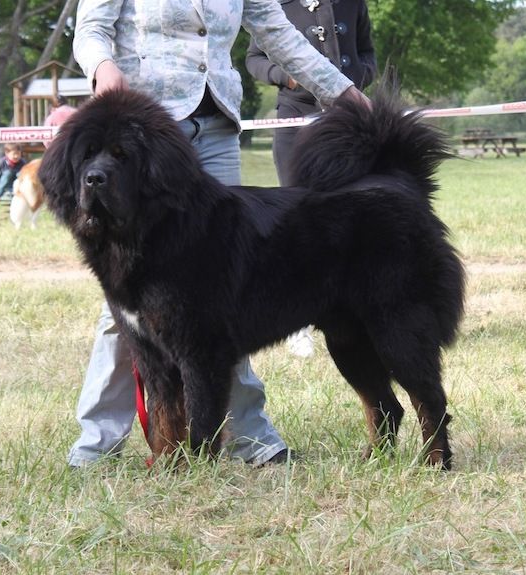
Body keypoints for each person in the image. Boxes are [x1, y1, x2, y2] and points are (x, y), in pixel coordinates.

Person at [68, 0, 371, 469]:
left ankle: (249, 436)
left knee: (226, 292)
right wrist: (103, 67)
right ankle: (96, 444)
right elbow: (90, 27)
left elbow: (279, 33)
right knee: (129, 305)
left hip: (217, 131)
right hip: (140, 142)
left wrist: (344, 93)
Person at [246, 0, 377, 358]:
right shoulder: (276, 6)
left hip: (347, 118)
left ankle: (363, 308)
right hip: (295, 119)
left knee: (353, 217)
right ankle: (296, 322)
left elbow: (367, 52)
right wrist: (286, 77)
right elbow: (254, 59)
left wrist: (358, 79)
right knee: (294, 224)